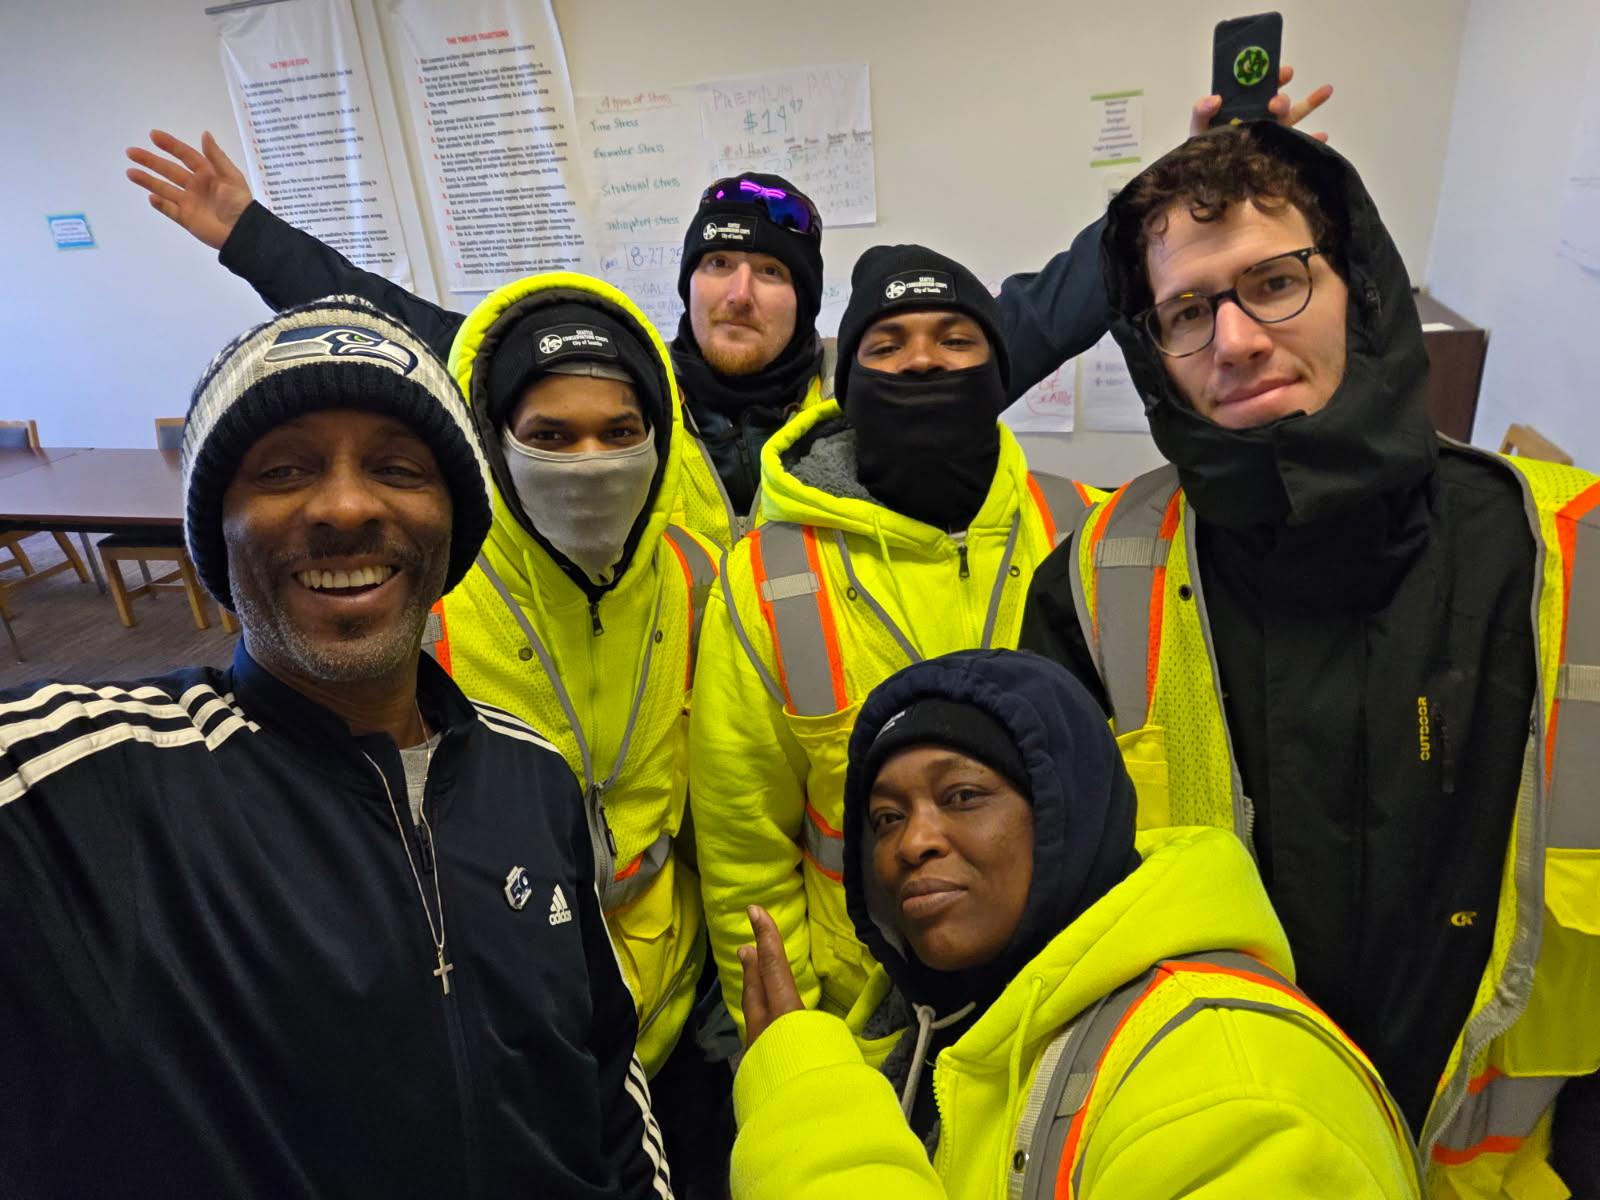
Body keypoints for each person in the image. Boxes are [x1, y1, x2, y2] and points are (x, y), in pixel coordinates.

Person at [1018, 121, 1600, 1196]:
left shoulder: (1576, 559)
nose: (1235, 340)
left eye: (1275, 283)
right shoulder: (1096, 585)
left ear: (1360, 291)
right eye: (1188, 311)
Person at [0, 297, 671, 1199]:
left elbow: (606, 1072)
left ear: (454, 523)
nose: (348, 506)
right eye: (284, 470)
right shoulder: (72, 788)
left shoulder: (533, 774)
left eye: (398, 468)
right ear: (215, 529)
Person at [730, 648, 1421, 1199]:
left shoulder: (1228, 1077)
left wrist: (808, 1110)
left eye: (962, 795)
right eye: (886, 817)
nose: (913, 842)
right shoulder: (924, 1037)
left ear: (1068, 814)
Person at [688, 246, 1084, 1036]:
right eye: (887, 344)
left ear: (998, 375)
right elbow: (743, 847)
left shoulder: (1084, 535)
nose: (923, 362)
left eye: (956, 340)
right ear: (851, 385)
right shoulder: (769, 578)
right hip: (865, 1019)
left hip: (1079, 985)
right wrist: (794, 1042)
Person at [425, 269, 729, 1192]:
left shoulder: (700, 575)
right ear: (492, 440)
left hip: (677, 1002)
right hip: (508, 1023)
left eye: (620, 433)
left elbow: (728, 792)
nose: (591, 463)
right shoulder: (430, 597)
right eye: (550, 437)